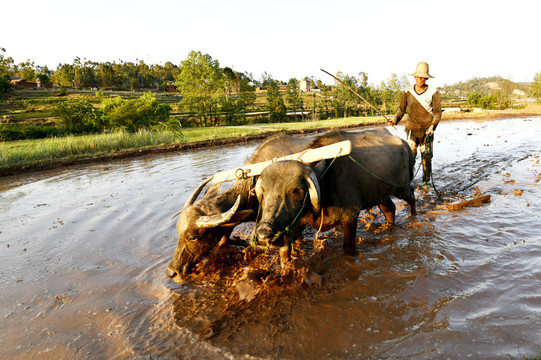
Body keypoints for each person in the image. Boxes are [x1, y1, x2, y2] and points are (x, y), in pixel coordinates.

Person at [393, 61, 442, 188]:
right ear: (414, 77)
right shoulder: (407, 91)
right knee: (411, 156)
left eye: (423, 77)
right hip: (411, 130)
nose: (420, 79)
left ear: (426, 78)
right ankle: (408, 182)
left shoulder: (433, 92)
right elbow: (401, 109)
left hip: (427, 130)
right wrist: (395, 120)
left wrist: (432, 127)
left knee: (426, 157)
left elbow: (437, 113)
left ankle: (425, 183)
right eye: (418, 76)